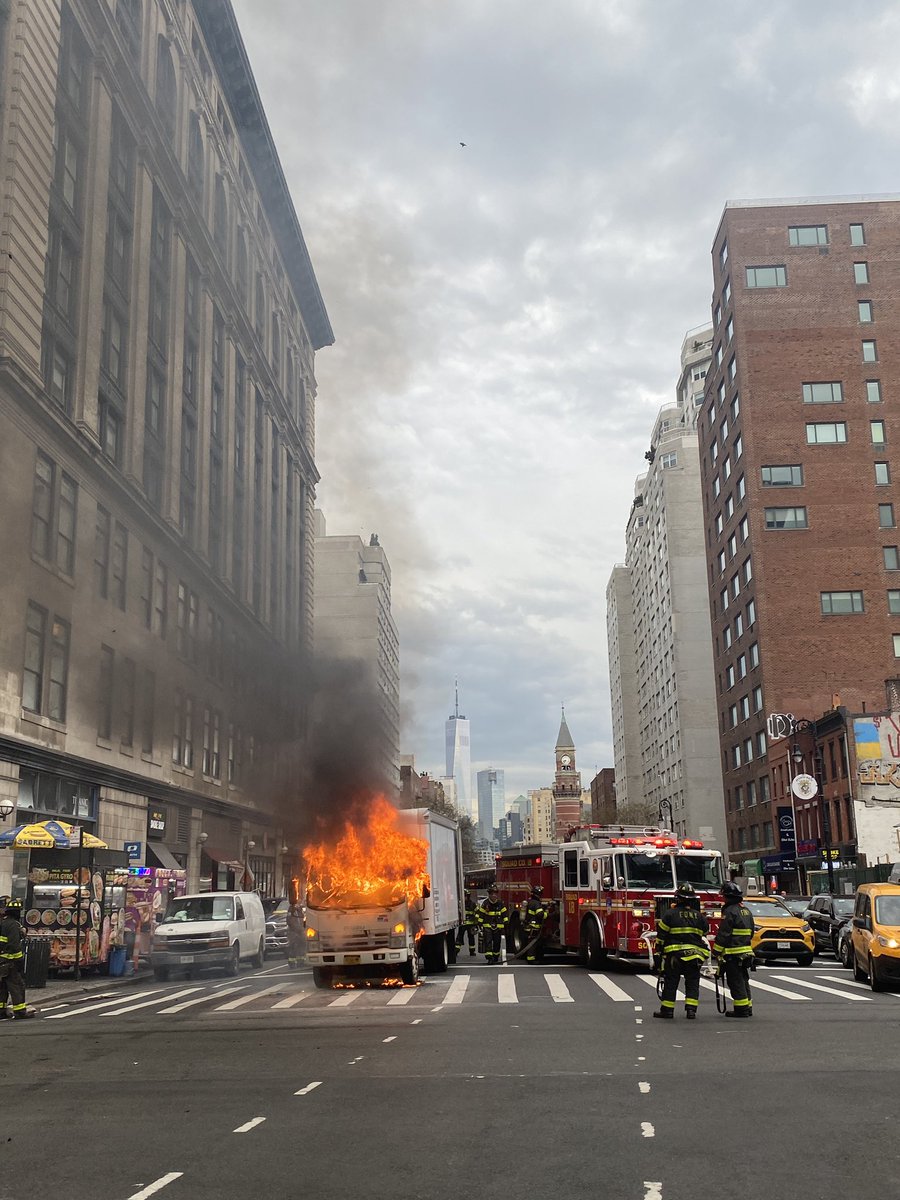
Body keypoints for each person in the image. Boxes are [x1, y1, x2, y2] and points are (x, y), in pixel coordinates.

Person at [653, 882, 709, 1020]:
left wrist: (658, 951)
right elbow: (705, 933)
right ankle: (691, 1011)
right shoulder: (699, 916)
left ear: (677, 898)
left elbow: (661, 936)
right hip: (694, 956)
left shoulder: (669, 914)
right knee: (692, 982)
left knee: (671, 982)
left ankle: (667, 1011)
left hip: (674, 956)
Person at [713, 881, 756, 1018]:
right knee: (743, 980)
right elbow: (751, 932)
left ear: (729, 897)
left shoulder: (730, 911)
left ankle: (741, 1009)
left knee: (735, 981)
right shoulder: (746, 910)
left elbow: (724, 933)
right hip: (746, 953)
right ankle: (747, 1007)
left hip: (733, 953)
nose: (723, 899)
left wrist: (716, 951)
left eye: (724, 896)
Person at [0, 897, 34, 1020]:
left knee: (2, 987)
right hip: (10, 962)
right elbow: (14, 945)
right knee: (17, 986)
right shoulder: (13, 925)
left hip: (1, 962)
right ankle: (20, 1011)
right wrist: (19, 960)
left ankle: (1, 1011)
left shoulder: (3, 923)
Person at [477, 885, 508, 964]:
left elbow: (504, 913)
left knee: (497, 942)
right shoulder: (485, 903)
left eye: (495, 894)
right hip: (487, 926)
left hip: (498, 927)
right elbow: (481, 914)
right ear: (489, 895)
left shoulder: (500, 903)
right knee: (488, 942)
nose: (494, 895)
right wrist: (479, 923)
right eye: (492, 894)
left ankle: (496, 956)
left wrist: (506, 922)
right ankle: (489, 958)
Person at [522, 885, 549, 963]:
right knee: (533, 944)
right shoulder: (536, 903)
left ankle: (534, 957)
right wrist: (547, 913)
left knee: (532, 942)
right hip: (534, 927)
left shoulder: (531, 901)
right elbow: (540, 914)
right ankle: (531, 959)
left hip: (529, 926)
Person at [456, 891, 478, 957]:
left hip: (471, 924)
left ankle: (472, 951)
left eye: (465, 896)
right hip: (463, 924)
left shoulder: (473, 904)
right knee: (459, 937)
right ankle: (456, 950)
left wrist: (476, 921)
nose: (464, 897)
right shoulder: (460, 904)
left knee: (471, 938)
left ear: (468, 896)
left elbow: (477, 912)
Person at [286, 902, 305, 969]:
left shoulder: (300, 909)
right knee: (293, 946)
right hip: (293, 931)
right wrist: (296, 929)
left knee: (301, 946)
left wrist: (302, 929)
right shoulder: (291, 909)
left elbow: (302, 919)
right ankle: (292, 963)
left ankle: (301, 962)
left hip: (300, 931)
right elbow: (289, 920)